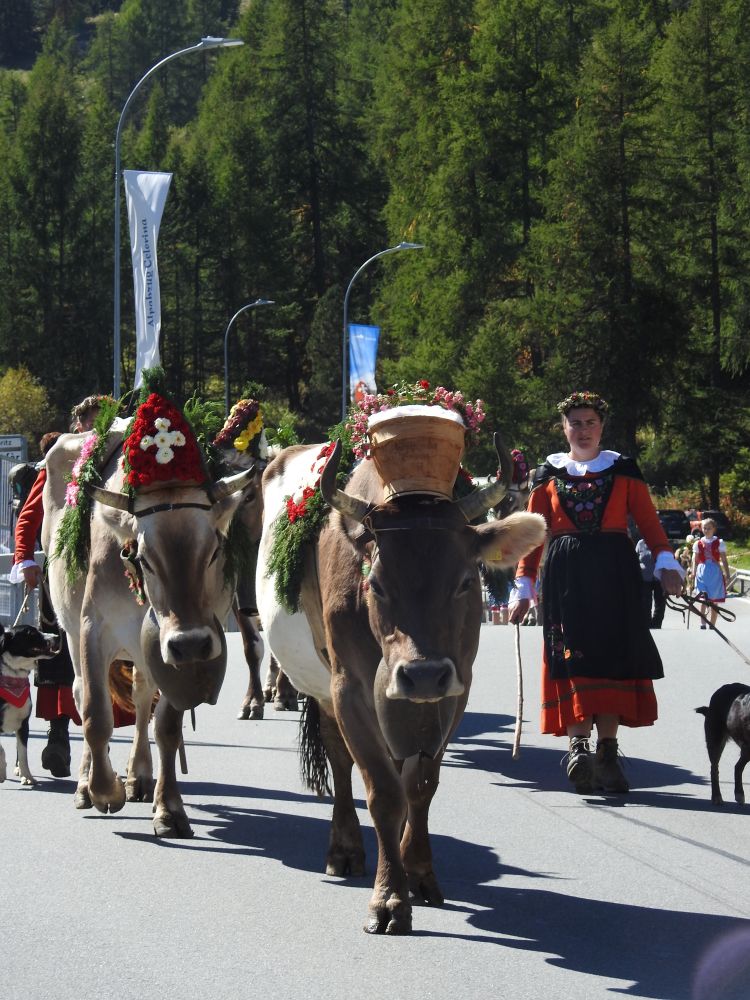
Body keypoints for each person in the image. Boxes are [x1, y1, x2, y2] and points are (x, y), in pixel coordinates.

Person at [508, 391, 684, 794]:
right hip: (565, 579)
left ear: (601, 426)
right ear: (564, 428)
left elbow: (648, 522)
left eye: (590, 422)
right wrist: (523, 582)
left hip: (615, 576)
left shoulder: (623, 471)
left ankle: (607, 751)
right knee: (571, 660)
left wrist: (666, 562)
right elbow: (534, 534)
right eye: (576, 423)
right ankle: (578, 749)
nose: (583, 430)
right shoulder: (547, 475)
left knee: (614, 661)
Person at [9, 395, 111, 776]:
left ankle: (121, 742)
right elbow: (30, 514)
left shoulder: (122, 461)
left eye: (102, 422)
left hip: (110, 574)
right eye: (89, 423)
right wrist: (28, 558)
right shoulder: (59, 460)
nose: (94, 430)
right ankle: (57, 736)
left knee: (118, 654)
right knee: (56, 656)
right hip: (63, 572)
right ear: (78, 425)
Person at [691, 517, 730, 629]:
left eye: (709, 528)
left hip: (714, 572)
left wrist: (727, 573)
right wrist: (693, 572)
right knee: (703, 599)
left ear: (714, 529)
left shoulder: (719, 542)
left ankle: (712, 624)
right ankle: (702, 623)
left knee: (713, 600)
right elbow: (695, 559)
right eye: (704, 528)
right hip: (702, 571)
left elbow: (724, 559)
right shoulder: (698, 543)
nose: (706, 530)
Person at [635, 537, 667, 629]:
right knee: (645, 602)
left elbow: (669, 559)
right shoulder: (640, 543)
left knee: (660, 602)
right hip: (645, 577)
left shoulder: (662, 542)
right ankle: (646, 624)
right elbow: (635, 558)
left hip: (659, 577)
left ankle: (656, 624)